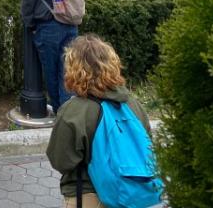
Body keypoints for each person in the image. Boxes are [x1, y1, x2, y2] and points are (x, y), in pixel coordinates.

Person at [46, 34, 153, 208]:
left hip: (88, 195)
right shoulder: (133, 105)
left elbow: (61, 161)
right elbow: (147, 145)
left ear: (74, 69)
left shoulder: (73, 111)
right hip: (131, 194)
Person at [21, 0, 80, 113]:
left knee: (51, 71)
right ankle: (68, 109)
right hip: (71, 24)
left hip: (47, 27)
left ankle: (59, 111)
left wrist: (29, 24)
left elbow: (27, 2)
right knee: (68, 69)